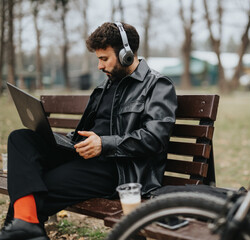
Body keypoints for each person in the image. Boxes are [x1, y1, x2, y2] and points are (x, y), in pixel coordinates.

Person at [0, 22, 177, 240]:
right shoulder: (105, 87)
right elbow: (86, 130)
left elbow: (154, 138)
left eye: (104, 59)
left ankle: (23, 226)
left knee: (35, 187)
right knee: (20, 138)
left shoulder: (157, 86)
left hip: (116, 168)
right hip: (84, 154)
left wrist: (105, 143)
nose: (99, 66)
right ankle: (26, 225)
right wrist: (59, 141)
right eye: (98, 59)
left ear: (126, 55)